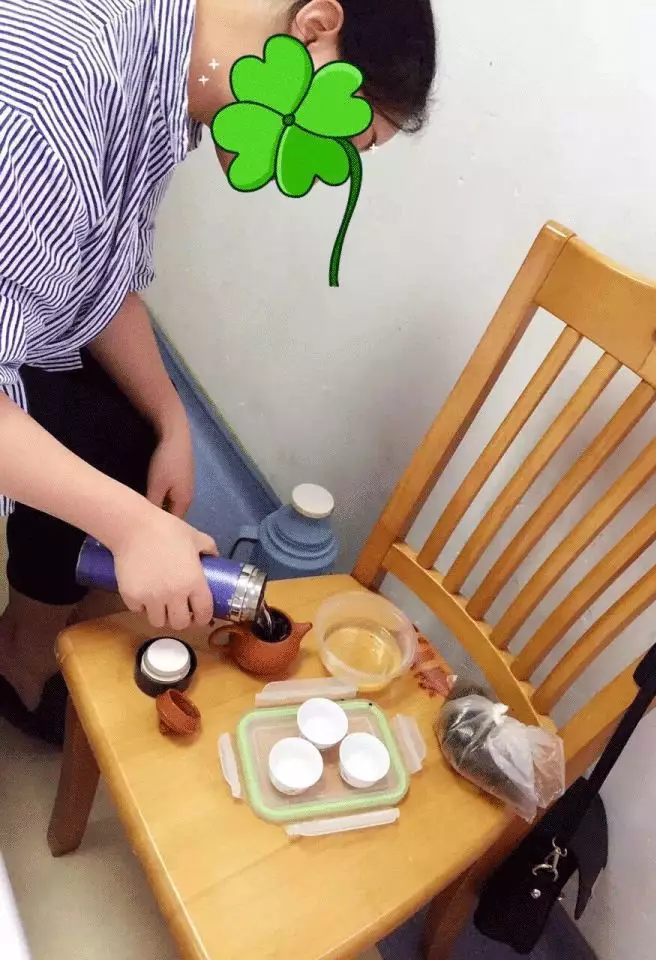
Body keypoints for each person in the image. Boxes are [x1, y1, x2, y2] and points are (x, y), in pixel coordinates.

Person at [0, 0, 436, 744]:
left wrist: (172, 420)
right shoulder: (62, 95)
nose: (328, 173)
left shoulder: (166, 89)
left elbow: (95, 280)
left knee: (127, 423)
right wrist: (129, 526)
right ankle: (24, 660)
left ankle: (37, 637)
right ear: (315, 28)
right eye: (348, 139)